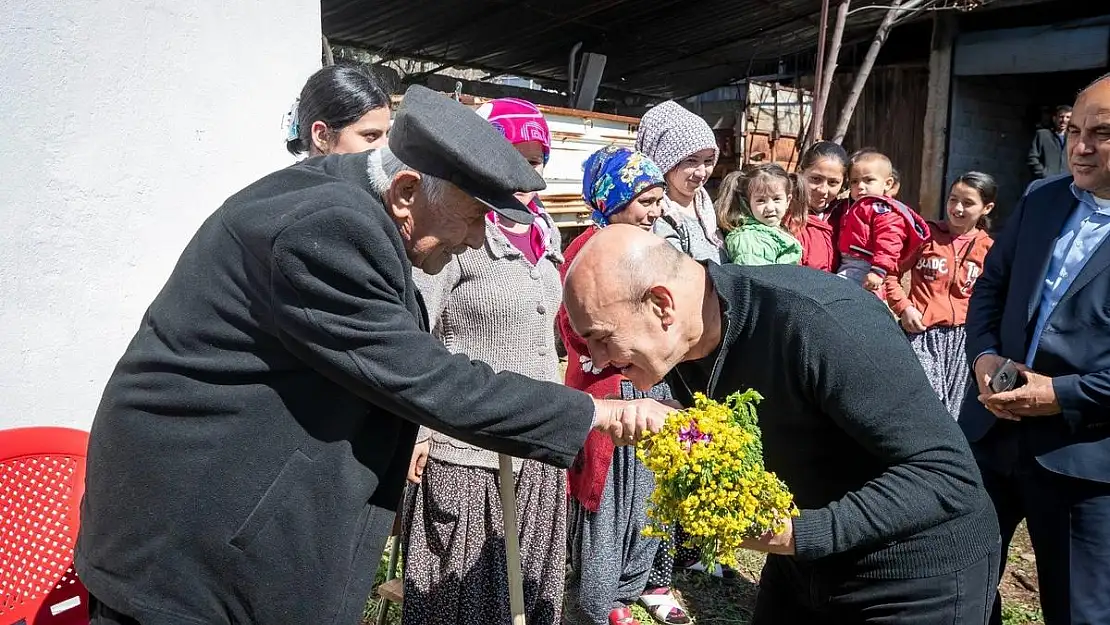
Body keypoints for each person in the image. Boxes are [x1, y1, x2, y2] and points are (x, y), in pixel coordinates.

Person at [75, 85, 671, 625]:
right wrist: (594, 414)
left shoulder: (349, 207)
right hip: (187, 547)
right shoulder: (328, 227)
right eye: (471, 218)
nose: (473, 239)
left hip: (225, 524)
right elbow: (423, 376)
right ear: (408, 192)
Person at [562, 224, 1001, 625]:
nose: (598, 362)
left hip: (914, 577)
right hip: (805, 569)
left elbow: (947, 475)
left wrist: (795, 533)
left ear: (662, 304)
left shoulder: (819, 320)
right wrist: (686, 433)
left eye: (603, 338)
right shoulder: (684, 343)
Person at [400, 97, 567, 625]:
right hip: (468, 454)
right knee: (459, 597)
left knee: (527, 592)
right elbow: (413, 331)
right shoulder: (455, 228)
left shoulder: (545, 233)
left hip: (535, 445)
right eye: (510, 154)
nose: (521, 171)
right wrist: (419, 433)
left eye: (533, 158)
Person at [961, 74, 1110, 625]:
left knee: (1079, 611)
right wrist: (983, 358)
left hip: (1083, 457)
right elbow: (992, 289)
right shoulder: (1042, 198)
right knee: (956, 586)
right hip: (992, 431)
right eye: (1075, 130)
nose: (1081, 146)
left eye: (1103, 133)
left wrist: (1062, 394)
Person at [558, 145, 690, 625]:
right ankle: (603, 596)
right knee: (610, 494)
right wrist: (613, 354)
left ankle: (650, 580)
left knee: (652, 486)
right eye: (645, 201)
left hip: (652, 387)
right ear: (611, 200)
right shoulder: (586, 253)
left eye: (658, 201)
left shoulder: (653, 248)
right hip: (609, 392)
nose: (655, 211)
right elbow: (571, 324)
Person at [886, 172, 996, 419]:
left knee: (953, 414)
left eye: (968, 203)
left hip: (963, 340)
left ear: (986, 207)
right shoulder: (926, 236)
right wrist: (904, 308)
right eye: (953, 199)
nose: (957, 208)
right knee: (923, 403)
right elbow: (890, 274)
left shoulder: (989, 249)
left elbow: (995, 297)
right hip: (922, 334)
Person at [636, 100, 724, 264]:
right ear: (664, 161)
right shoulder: (658, 217)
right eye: (691, 161)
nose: (701, 172)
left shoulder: (710, 209)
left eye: (708, 161)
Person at [836, 149, 930, 297]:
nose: (860, 186)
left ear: (888, 184)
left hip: (866, 265)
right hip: (851, 261)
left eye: (868, 180)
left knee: (840, 296)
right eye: (854, 181)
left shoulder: (882, 210)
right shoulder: (857, 205)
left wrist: (878, 270)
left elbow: (889, 241)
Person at [284, 63, 392, 157]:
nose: (386, 147)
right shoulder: (285, 181)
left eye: (387, 134)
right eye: (371, 136)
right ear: (322, 136)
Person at [718, 164, 803, 266]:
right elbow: (754, 277)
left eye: (776, 199)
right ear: (748, 203)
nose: (770, 208)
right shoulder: (750, 239)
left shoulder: (772, 233)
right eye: (761, 201)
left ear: (788, 201)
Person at [794, 141, 849, 272]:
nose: (823, 190)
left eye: (833, 182)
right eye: (815, 179)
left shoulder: (846, 217)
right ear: (800, 172)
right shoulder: (782, 214)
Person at [1027, 104, 1071, 180]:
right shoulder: (1042, 135)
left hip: (1066, 182)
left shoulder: (1074, 139)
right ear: (1054, 118)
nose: (1064, 120)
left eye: (1068, 117)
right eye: (1061, 116)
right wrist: (1043, 174)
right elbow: (1032, 158)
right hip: (1045, 182)